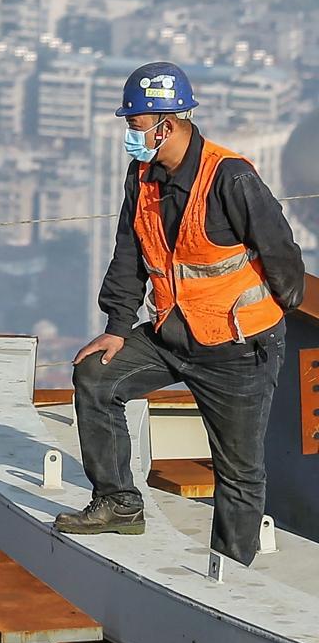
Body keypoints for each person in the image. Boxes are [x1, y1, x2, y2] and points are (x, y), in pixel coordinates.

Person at [54, 62, 305, 567]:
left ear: (165, 125)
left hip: (239, 347)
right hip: (174, 335)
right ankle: (118, 502)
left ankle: (229, 576)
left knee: (238, 470)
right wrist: (117, 329)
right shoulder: (142, 177)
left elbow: (283, 258)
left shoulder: (229, 177)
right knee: (94, 377)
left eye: (136, 125)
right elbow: (129, 255)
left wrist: (269, 318)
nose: (131, 134)